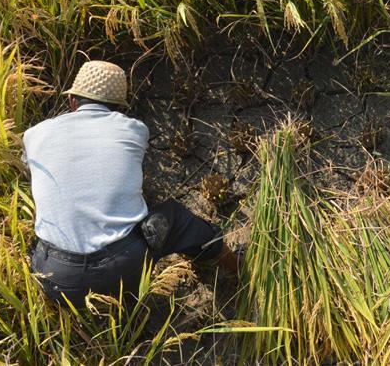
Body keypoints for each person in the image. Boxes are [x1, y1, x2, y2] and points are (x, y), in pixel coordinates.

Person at [23, 60, 239, 309]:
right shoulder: (134, 129)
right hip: (123, 267)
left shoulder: (34, 134)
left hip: (57, 279)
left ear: (72, 101)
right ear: (119, 107)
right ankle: (236, 266)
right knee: (175, 218)